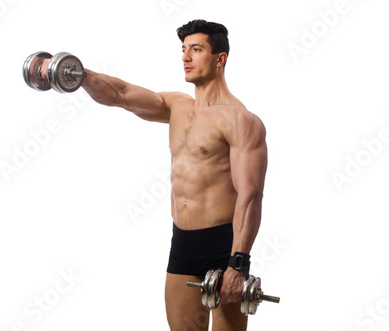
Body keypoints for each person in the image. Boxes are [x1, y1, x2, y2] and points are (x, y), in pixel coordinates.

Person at [81, 19, 268, 331]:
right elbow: (122, 94)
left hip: (224, 246)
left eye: (196, 49)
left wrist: (238, 263)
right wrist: (79, 75)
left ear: (219, 58)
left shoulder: (240, 120)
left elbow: (250, 196)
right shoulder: (177, 106)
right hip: (182, 244)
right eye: (183, 50)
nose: (186, 57)